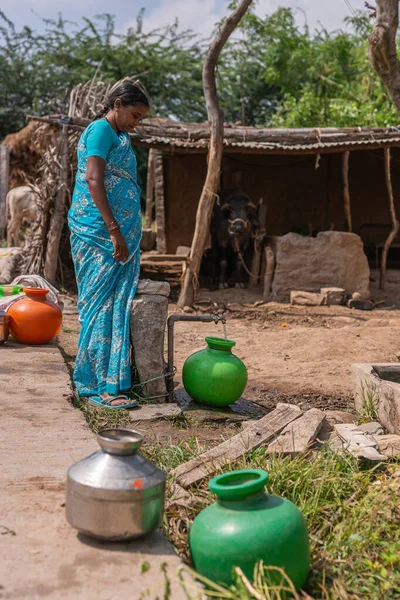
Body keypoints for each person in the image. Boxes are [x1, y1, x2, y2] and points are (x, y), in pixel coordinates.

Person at [68, 81, 149, 409]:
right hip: (98, 235)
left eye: (141, 118)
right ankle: (98, 387)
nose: (136, 123)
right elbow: (93, 179)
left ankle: (109, 383)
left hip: (117, 239)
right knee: (100, 306)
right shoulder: (101, 130)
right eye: (134, 114)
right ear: (116, 104)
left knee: (115, 306)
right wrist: (115, 230)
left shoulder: (121, 136)